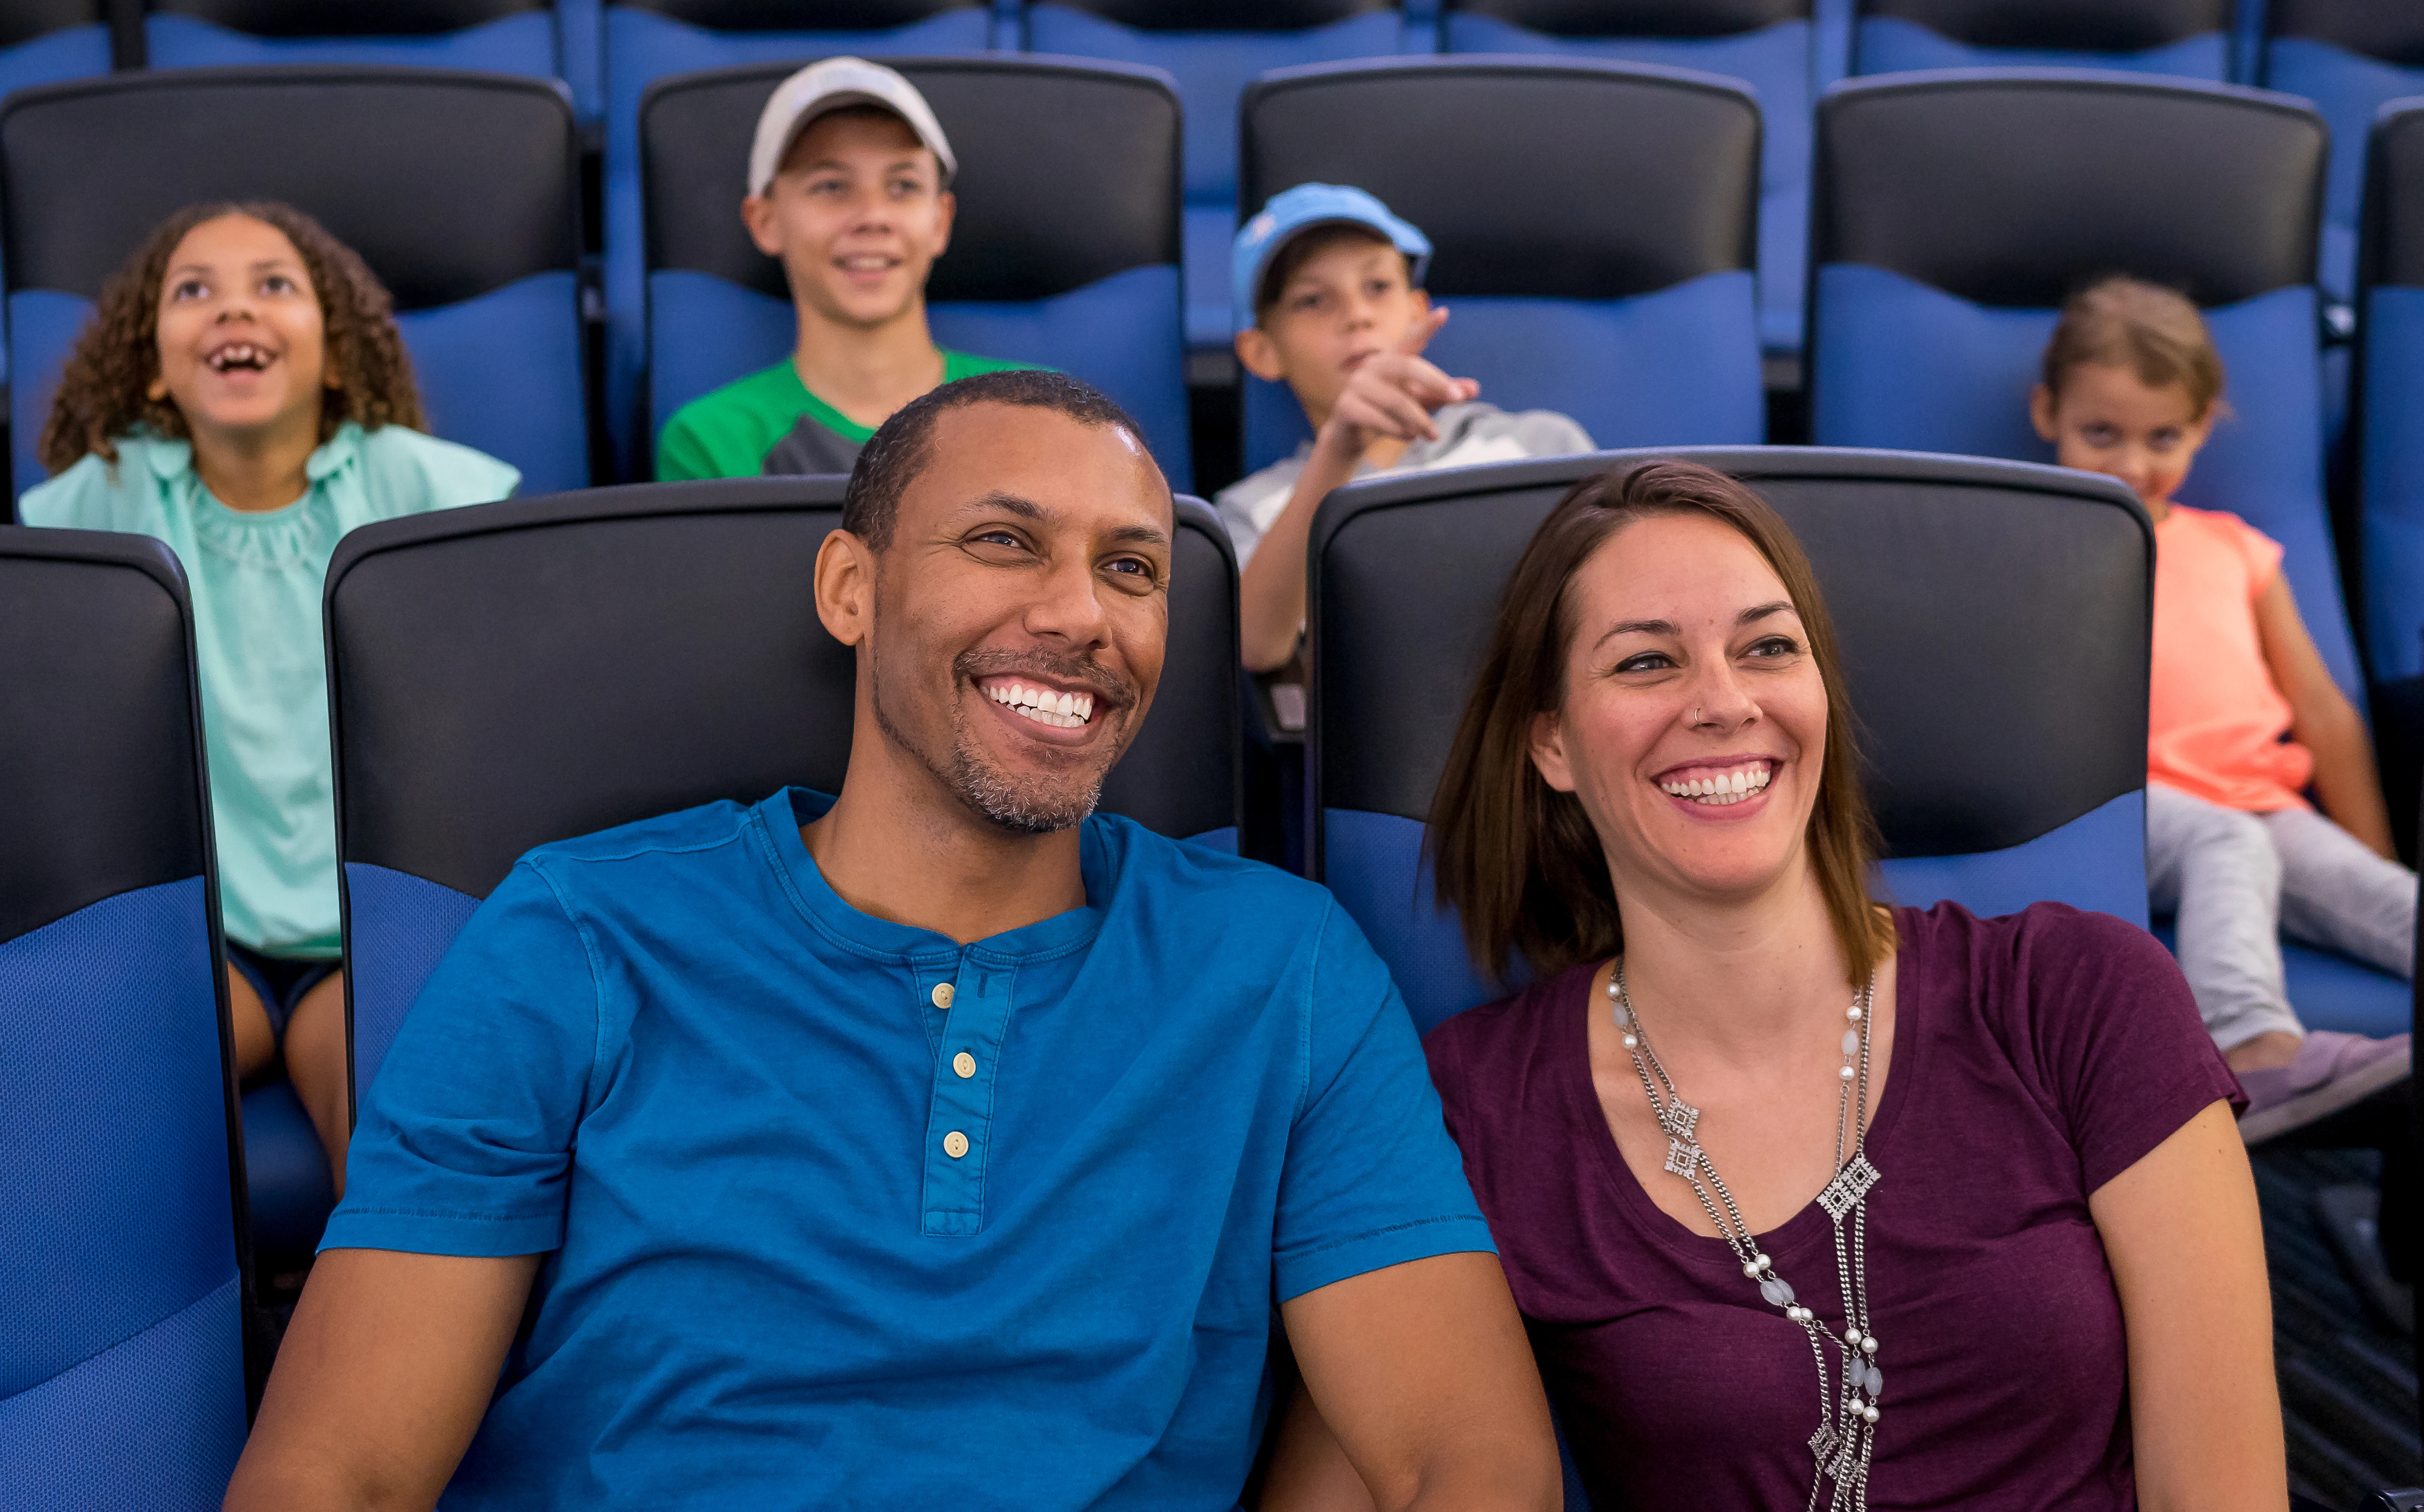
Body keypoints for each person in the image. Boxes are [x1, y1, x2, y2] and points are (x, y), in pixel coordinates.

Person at [225, 370, 1560, 1511]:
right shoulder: (579, 932)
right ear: (849, 587)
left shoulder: (1284, 967)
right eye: (1002, 540)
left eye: (1131, 568)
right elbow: (339, 1470)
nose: (1083, 615)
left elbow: (1467, 1453)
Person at [1261, 460, 2284, 1512]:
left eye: (1767, 648)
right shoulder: (1473, 1108)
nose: (1722, 701)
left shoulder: (2081, 995)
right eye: (1647, 662)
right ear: (1553, 743)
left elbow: (2222, 1490)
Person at [19, 201, 517, 1189]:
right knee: (91, 1129)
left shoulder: (427, 488)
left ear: (335, 358)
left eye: (273, 286)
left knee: (391, 1151)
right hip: (199, 929)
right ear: (154, 368)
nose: (232, 309)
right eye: (194, 291)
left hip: (364, 926)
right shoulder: (100, 498)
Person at [2030, 276, 2415, 1142]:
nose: (2132, 463)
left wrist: (2363, 852)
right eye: (2101, 434)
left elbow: (2320, 707)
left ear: (2203, 425)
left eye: (2162, 436)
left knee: (2387, 899)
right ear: (2046, 411)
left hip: (2263, 802)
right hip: (2134, 806)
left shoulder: (2237, 548)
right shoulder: (2043, 544)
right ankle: (2252, 1051)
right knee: (2224, 839)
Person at [1221, 184, 1593, 673]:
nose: (1356, 315)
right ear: (1261, 352)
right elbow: (1255, 646)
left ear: (1417, 309)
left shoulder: (1541, 445)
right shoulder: (1252, 509)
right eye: (1312, 300)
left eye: (1377, 287)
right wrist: (1339, 447)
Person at [654, 56, 1031, 481]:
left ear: (940, 221)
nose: (873, 216)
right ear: (765, 221)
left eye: (903, 186)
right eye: (831, 186)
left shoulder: (1038, 413)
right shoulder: (714, 441)